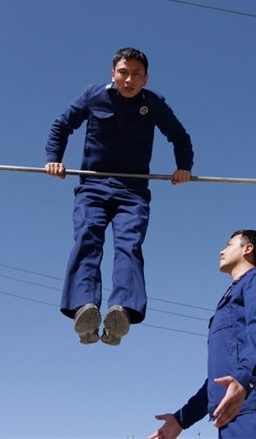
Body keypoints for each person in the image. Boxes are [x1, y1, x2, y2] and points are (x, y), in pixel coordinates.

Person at [45, 47, 193, 346]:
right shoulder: (93, 95)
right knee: (88, 237)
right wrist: (54, 158)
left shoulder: (154, 104)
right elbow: (62, 125)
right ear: (113, 73)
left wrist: (183, 168)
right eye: (124, 72)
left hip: (132, 192)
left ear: (146, 78)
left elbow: (179, 136)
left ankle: (122, 310)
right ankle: (83, 306)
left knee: (129, 244)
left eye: (136, 74)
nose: (129, 79)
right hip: (93, 187)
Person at [149, 230, 256, 439]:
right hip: (230, 417)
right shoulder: (228, 298)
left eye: (229, 245)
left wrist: (244, 380)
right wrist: (182, 419)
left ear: (248, 248)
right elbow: (219, 379)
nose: (221, 251)